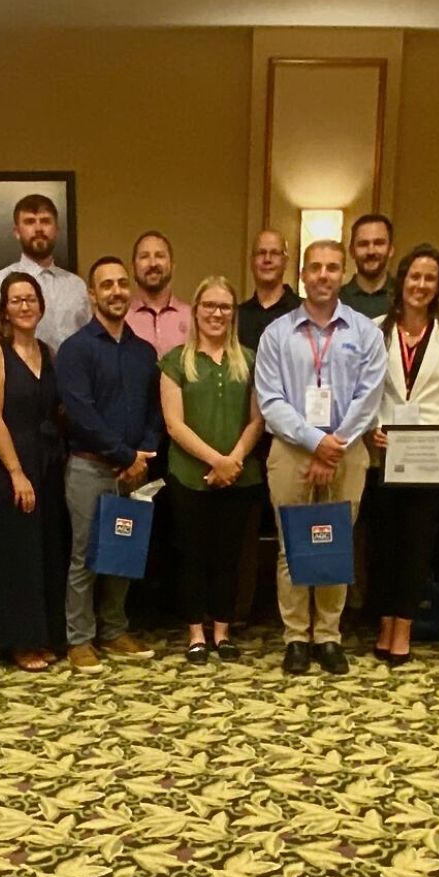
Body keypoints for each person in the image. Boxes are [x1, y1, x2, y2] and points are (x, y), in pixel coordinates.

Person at [254, 238, 387, 674]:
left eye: (332, 268)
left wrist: (335, 445)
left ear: (342, 273)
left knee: (334, 542)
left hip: (347, 452)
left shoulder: (365, 332)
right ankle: (295, 636)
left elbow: (370, 397)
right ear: (303, 275)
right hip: (292, 451)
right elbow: (270, 399)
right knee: (292, 545)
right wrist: (314, 441)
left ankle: (328, 635)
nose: (324, 276)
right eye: (316, 268)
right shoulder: (276, 334)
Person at [365, 244, 439, 663]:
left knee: (418, 545)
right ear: (402, 281)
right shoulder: (376, 329)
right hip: (388, 453)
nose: (421, 285)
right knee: (385, 543)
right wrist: (373, 426)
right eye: (414, 276)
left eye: (429, 278)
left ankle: (404, 628)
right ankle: (383, 621)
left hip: (433, 456)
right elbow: (369, 393)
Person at [54, 256, 163, 668]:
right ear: (92, 293)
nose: (116, 291)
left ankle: (114, 630)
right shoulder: (75, 349)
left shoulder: (143, 351)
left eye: (121, 284)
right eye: (106, 285)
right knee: (85, 555)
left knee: (123, 550)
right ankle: (80, 638)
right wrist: (124, 455)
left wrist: (143, 454)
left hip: (135, 472)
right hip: (89, 468)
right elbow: (81, 413)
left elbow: (155, 410)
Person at [159, 276, 263, 663]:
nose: (217, 313)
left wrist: (233, 459)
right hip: (189, 476)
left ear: (233, 315)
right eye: (210, 306)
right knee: (192, 556)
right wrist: (215, 461)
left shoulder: (250, 360)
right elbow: (174, 424)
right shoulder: (175, 361)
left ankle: (223, 632)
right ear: (196, 311)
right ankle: (195, 635)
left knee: (229, 557)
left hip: (240, 476)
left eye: (225, 307)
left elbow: (258, 419)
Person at [0, 272, 68, 670]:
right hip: (11, 464)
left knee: (45, 552)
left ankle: (42, 635)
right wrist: (16, 472)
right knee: (16, 556)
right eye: (16, 300)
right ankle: (17, 641)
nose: (25, 306)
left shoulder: (47, 352)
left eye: (30, 299)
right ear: (4, 309)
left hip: (48, 463)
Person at [0, 193, 91, 346]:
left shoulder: (77, 285)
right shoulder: (0, 281)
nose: (38, 228)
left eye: (45, 221)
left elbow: (89, 341)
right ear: (17, 232)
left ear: (57, 229)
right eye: (30, 222)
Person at [126, 231, 192, 357]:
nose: (153, 263)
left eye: (160, 256)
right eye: (144, 256)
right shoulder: (122, 319)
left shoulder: (193, 318)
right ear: (133, 268)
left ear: (172, 266)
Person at [237, 229, 297, 358]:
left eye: (275, 253)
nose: (267, 259)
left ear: (285, 261)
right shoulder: (237, 316)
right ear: (252, 261)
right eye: (261, 253)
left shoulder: (303, 312)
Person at [338, 213, 395, 319]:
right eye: (363, 244)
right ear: (351, 251)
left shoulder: (405, 299)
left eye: (378, 243)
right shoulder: (335, 301)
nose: (371, 251)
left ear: (390, 249)